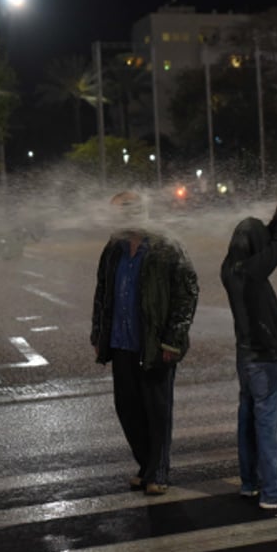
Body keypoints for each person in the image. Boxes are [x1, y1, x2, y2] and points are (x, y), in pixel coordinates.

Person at [91, 191, 199, 495]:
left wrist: (173, 341)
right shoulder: (114, 248)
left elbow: (187, 293)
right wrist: (99, 334)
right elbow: (102, 293)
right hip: (121, 342)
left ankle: (158, 471)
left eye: (125, 211)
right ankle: (145, 464)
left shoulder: (166, 245)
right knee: (127, 408)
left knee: (157, 410)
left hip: (155, 344)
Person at [220, 199, 277, 510]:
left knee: (248, 419)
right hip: (265, 355)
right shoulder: (253, 271)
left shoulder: (230, 267)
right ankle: (273, 491)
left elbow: (268, 245)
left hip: (245, 355)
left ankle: (250, 483)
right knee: (269, 424)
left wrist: (272, 221)